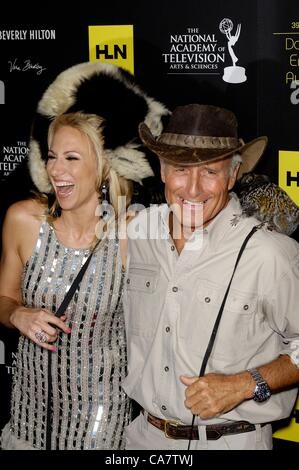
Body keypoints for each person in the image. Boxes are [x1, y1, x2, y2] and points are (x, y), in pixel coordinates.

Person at [0, 62, 168, 450]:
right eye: (53, 156)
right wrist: (17, 313)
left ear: (102, 165)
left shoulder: (133, 231)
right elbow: (4, 299)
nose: (56, 169)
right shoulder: (23, 219)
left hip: (100, 420)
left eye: (72, 158)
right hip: (29, 415)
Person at [123, 104, 299, 450]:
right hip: (143, 439)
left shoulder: (269, 254)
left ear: (233, 176)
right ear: (161, 170)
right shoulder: (138, 233)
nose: (192, 188)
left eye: (210, 172)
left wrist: (246, 384)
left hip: (230, 442)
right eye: (180, 169)